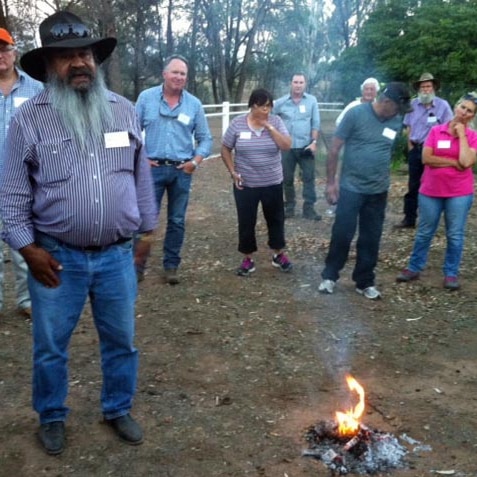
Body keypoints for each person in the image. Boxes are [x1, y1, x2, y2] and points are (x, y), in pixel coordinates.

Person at [0, 11, 157, 455]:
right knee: (50, 347)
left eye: (85, 53)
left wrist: (145, 240)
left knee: (122, 340)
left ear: (96, 59)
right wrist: (28, 250)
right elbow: (11, 196)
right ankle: (51, 415)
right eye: (66, 57)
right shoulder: (28, 121)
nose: (79, 63)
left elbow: (140, 181)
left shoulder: (123, 111)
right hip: (56, 259)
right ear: (49, 67)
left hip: (116, 257)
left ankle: (117, 407)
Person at [318, 82, 412, 299]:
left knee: (371, 237)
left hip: (378, 191)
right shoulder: (356, 114)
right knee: (342, 233)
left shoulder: (396, 120)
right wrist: (331, 184)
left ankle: (364, 281)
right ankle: (330, 276)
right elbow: (334, 149)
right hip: (351, 188)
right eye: (397, 108)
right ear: (387, 102)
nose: (399, 113)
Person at [135, 55, 212, 285]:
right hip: (152, 170)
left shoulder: (194, 105)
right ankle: (137, 266)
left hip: (181, 171)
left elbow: (205, 138)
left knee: (177, 220)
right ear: (164, 74)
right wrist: (141, 158)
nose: (179, 77)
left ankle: (171, 266)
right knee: (146, 219)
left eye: (183, 74)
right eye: (175, 72)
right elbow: (132, 131)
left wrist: (195, 162)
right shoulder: (146, 99)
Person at [396, 94, 477, 290]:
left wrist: (462, 135)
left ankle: (451, 273)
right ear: (455, 107)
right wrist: (452, 162)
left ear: (472, 116)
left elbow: (466, 162)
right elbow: (426, 158)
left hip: (459, 192)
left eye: (469, 111)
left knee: (455, 234)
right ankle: (414, 267)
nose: (463, 112)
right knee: (424, 232)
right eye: (462, 107)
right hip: (431, 191)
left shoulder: (473, 137)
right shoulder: (435, 131)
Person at [221, 88, 293, 276]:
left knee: (276, 220)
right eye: (263, 107)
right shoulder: (237, 124)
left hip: (272, 182)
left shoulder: (276, 122)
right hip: (246, 184)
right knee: (246, 222)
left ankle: (278, 254)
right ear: (253, 105)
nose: (267, 110)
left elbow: (286, 145)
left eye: (269, 106)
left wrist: (269, 127)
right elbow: (225, 148)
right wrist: (232, 172)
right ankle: (248, 259)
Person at [0, 28, 43, 318]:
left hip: (24, 181)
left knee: (24, 242)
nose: (0, 56)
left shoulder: (36, 89)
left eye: (5, 49)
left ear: (15, 52)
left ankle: (27, 300)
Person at [395, 72, 453, 228]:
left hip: (434, 153)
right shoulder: (413, 105)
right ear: (419, 89)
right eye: (422, 87)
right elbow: (408, 126)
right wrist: (410, 147)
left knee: (433, 185)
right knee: (413, 185)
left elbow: (449, 130)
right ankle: (409, 218)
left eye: (428, 86)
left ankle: (430, 220)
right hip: (416, 148)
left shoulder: (443, 106)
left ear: (433, 88)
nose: (425, 90)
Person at [273, 73, 321, 220]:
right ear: (291, 84)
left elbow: (315, 123)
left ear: (305, 84)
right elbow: (272, 121)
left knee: (308, 177)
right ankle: (289, 207)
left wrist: (314, 143)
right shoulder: (280, 103)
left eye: (301, 82)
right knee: (286, 178)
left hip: (306, 146)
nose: (298, 85)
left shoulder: (311, 101)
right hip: (287, 148)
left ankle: (309, 209)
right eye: (295, 82)